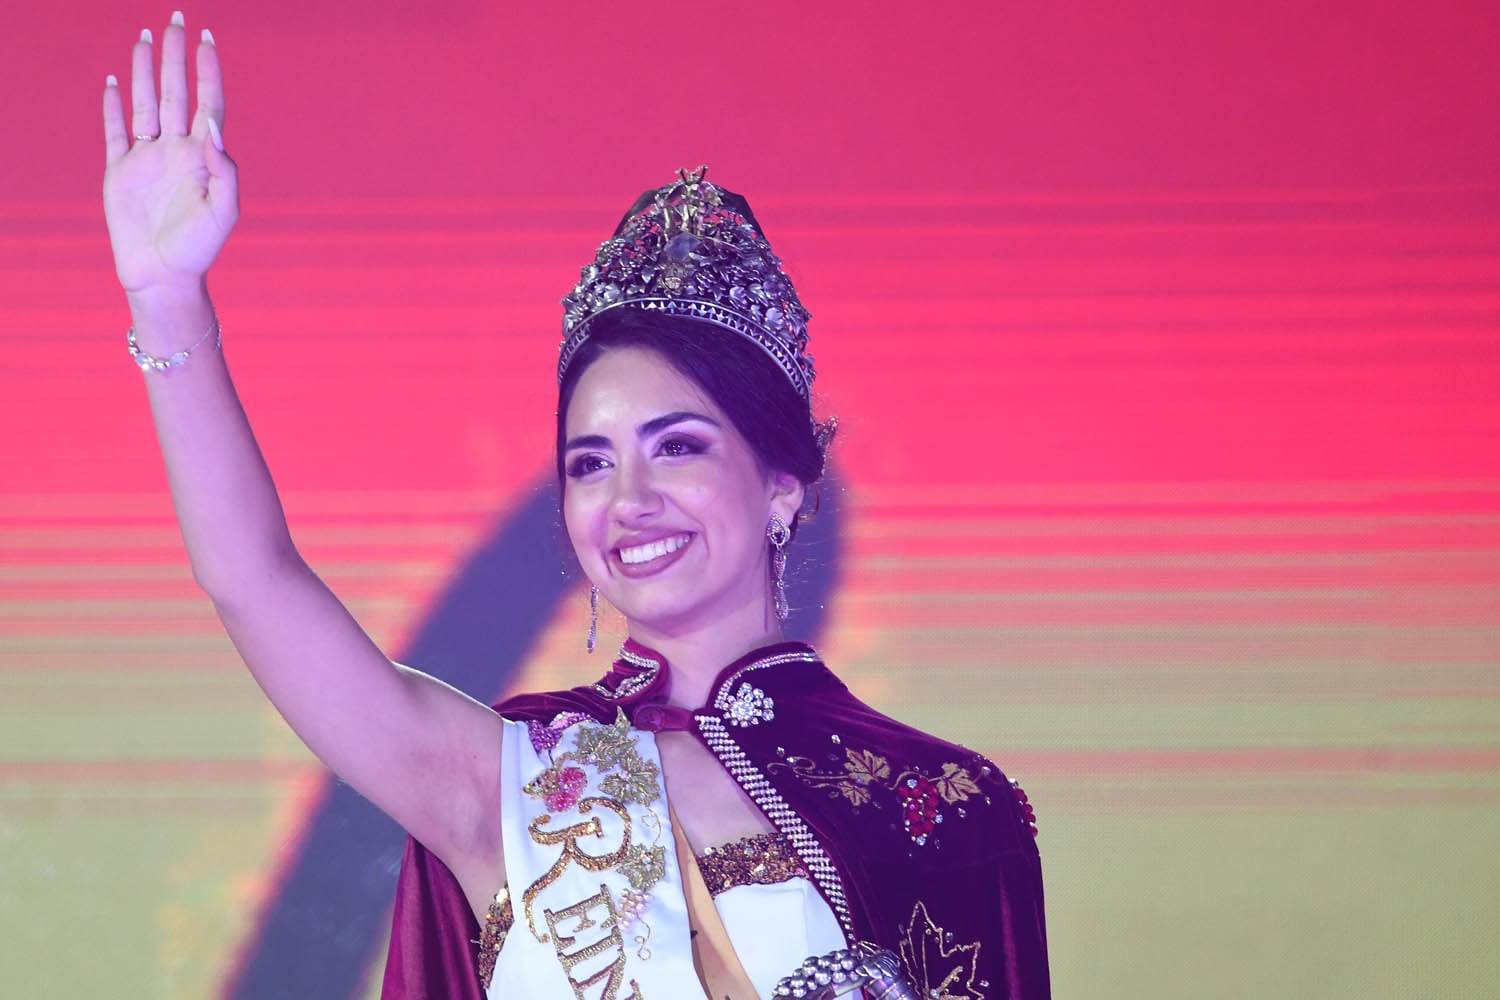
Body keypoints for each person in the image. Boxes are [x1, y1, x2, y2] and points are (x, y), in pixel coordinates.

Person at [101, 14, 1049, 1000]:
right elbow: (253, 580)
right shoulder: (508, 781)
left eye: (676, 447)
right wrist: (167, 296)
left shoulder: (942, 806)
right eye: (590, 464)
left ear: (782, 482)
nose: (630, 500)